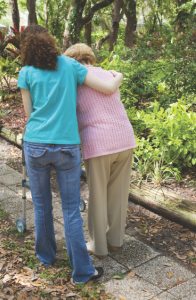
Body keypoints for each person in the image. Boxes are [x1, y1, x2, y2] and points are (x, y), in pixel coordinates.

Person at [17, 26, 123, 283]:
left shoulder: (26, 72)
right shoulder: (71, 65)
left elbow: (30, 115)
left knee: (41, 205)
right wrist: (118, 76)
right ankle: (83, 271)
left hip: (36, 145)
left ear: (27, 48)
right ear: (51, 42)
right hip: (66, 147)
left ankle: (46, 256)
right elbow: (107, 87)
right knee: (71, 210)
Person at [64, 43, 137, 259]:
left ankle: (98, 246)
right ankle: (115, 241)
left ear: (70, 61)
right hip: (124, 138)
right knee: (119, 193)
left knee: (97, 195)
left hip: (99, 142)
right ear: (90, 58)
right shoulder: (108, 74)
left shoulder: (75, 78)